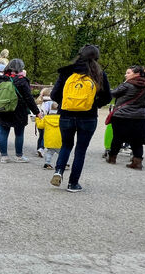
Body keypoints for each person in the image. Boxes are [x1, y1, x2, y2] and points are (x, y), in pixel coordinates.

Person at [50, 44, 111, 192]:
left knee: (66, 145)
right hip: (88, 117)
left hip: (66, 115)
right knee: (81, 150)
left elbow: (54, 95)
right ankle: (73, 183)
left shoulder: (67, 72)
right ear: (96, 57)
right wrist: (94, 103)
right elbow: (107, 97)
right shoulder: (99, 74)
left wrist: (65, 103)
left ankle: (58, 171)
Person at [0, 59, 42, 163]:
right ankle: (19, 156)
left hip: (4, 109)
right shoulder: (22, 80)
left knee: (3, 133)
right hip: (19, 110)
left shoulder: (2, 78)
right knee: (19, 133)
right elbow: (29, 98)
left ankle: (4, 156)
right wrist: (37, 112)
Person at [106, 65, 145, 170]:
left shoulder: (127, 85)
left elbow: (112, 93)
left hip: (122, 115)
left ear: (136, 74)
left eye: (128, 73)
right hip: (141, 117)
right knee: (137, 140)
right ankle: (137, 162)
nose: (125, 75)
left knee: (117, 137)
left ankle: (112, 158)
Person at [36, 102, 61, 169]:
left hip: (49, 139)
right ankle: (63, 163)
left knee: (49, 152)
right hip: (59, 140)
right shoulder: (61, 118)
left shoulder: (46, 118)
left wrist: (37, 119)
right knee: (61, 152)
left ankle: (47, 163)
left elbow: (40, 126)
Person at [35, 88, 53, 157]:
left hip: (39, 121)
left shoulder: (39, 102)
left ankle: (38, 148)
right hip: (46, 121)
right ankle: (41, 148)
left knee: (41, 136)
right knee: (44, 136)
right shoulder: (50, 102)